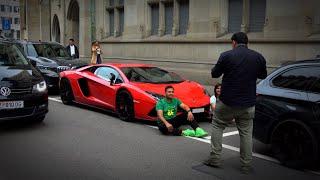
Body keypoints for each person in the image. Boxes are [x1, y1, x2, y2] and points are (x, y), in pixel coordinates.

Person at [204, 32, 267, 174]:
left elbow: (215, 74)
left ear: (233, 42)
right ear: (247, 42)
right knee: (246, 133)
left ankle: (215, 159)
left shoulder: (226, 55)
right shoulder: (258, 57)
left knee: (218, 125)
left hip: (227, 102)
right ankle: (246, 165)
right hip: (248, 103)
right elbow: (263, 75)